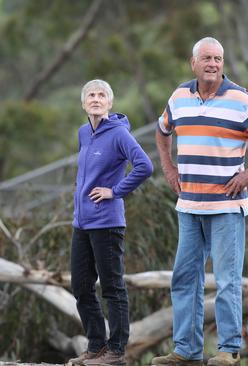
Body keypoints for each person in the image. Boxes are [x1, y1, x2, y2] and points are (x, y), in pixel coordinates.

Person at [151, 37, 248, 366]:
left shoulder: (240, 99)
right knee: (185, 278)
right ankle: (186, 350)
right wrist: (169, 169)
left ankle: (229, 349)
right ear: (193, 63)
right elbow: (161, 131)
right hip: (188, 207)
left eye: (218, 58)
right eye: (207, 58)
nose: (213, 64)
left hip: (226, 207)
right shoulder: (179, 97)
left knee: (227, 280)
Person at [68, 79, 153, 366]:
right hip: (82, 223)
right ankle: (96, 346)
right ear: (83, 103)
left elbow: (144, 166)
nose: (95, 98)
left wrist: (115, 191)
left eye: (101, 95)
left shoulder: (119, 134)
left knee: (112, 287)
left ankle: (116, 351)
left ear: (110, 103)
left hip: (107, 223)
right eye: (90, 95)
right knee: (80, 286)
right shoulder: (83, 133)